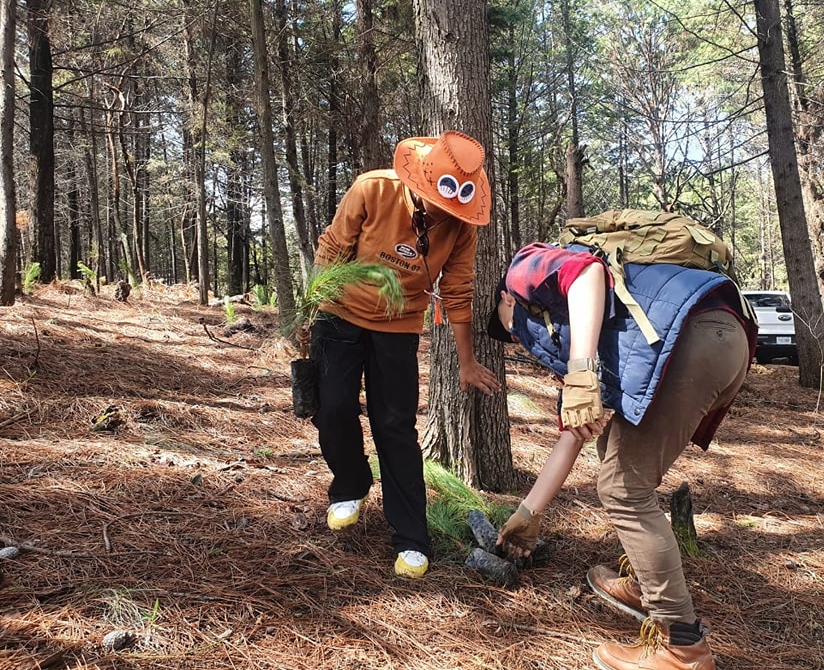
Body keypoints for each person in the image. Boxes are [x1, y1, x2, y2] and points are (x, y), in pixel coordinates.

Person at [486, 240, 757, 670]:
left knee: (624, 490)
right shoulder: (569, 333)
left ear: (505, 298)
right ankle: (650, 586)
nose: (519, 340)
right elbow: (571, 435)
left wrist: (581, 372)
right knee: (610, 450)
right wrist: (528, 514)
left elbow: (588, 274)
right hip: (721, 337)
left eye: (510, 329)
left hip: (693, 337)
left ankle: (681, 645)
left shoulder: (523, 268)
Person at [307, 131, 501, 579]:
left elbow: (457, 291)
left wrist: (467, 363)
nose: (442, 211)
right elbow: (333, 246)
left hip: (399, 327)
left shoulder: (461, 228)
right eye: (437, 199)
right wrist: (313, 306)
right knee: (332, 406)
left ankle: (412, 537)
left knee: (394, 426)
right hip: (340, 313)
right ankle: (351, 484)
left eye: (453, 206)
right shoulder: (373, 188)